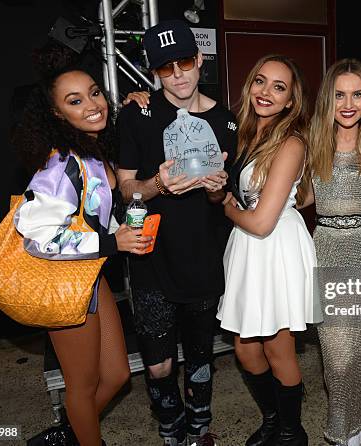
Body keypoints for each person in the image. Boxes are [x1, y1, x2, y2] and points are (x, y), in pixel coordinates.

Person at [12, 42, 152, 446]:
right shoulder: (59, 164)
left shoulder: (90, 152)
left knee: (117, 375)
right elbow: (38, 236)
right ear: (57, 114)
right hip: (63, 282)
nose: (93, 104)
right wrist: (112, 241)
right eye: (76, 100)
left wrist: (136, 103)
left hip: (90, 277)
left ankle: (71, 433)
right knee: (82, 385)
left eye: (95, 92)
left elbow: (93, 209)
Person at [116, 20, 237, 446]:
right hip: (150, 258)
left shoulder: (225, 120)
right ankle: (170, 427)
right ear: (154, 72)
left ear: (200, 60)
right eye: (166, 68)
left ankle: (199, 429)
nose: (178, 74)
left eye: (185, 61)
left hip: (204, 258)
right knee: (158, 366)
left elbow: (220, 201)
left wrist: (217, 190)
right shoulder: (136, 113)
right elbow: (126, 189)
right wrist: (157, 186)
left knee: (202, 357)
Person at [217, 54, 321, 446]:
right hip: (249, 248)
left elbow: (261, 221)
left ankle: (292, 434)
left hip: (273, 247)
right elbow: (307, 194)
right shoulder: (244, 133)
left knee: (279, 351)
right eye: (260, 81)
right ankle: (274, 418)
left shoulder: (291, 141)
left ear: (291, 101)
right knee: (246, 350)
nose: (266, 92)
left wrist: (229, 206)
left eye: (279, 87)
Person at [299, 58, 361, 445]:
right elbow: (305, 197)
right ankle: (344, 425)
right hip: (328, 250)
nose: (348, 103)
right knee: (337, 357)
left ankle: (351, 434)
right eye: (340, 94)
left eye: (357, 94)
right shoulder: (311, 140)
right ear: (328, 99)